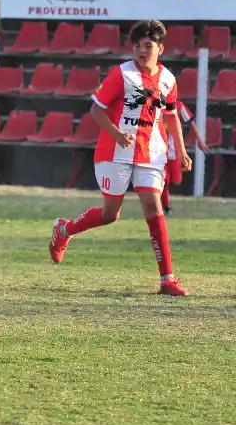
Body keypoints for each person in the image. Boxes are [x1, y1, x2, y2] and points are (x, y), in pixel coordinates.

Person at [49, 19, 192, 296]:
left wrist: (182, 150)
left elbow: (172, 116)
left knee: (153, 207)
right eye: (137, 45)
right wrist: (116, 134)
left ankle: (167, 279)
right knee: (109, 215)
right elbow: (96, 110)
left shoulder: (168, 80)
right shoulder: (121, 75)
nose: (141, 51)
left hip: (152, 154)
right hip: (114, 152)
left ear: (160, 49)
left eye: (148, 46)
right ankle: (64, 230)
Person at [160, 101, 202, 216]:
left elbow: (190, 121)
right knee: (165, 181)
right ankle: (166, 207)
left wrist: (200, 141)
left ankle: (162, 201)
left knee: (176, 181)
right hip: (159, 152)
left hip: (175, 153)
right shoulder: (154, 105)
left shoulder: (178, 106)